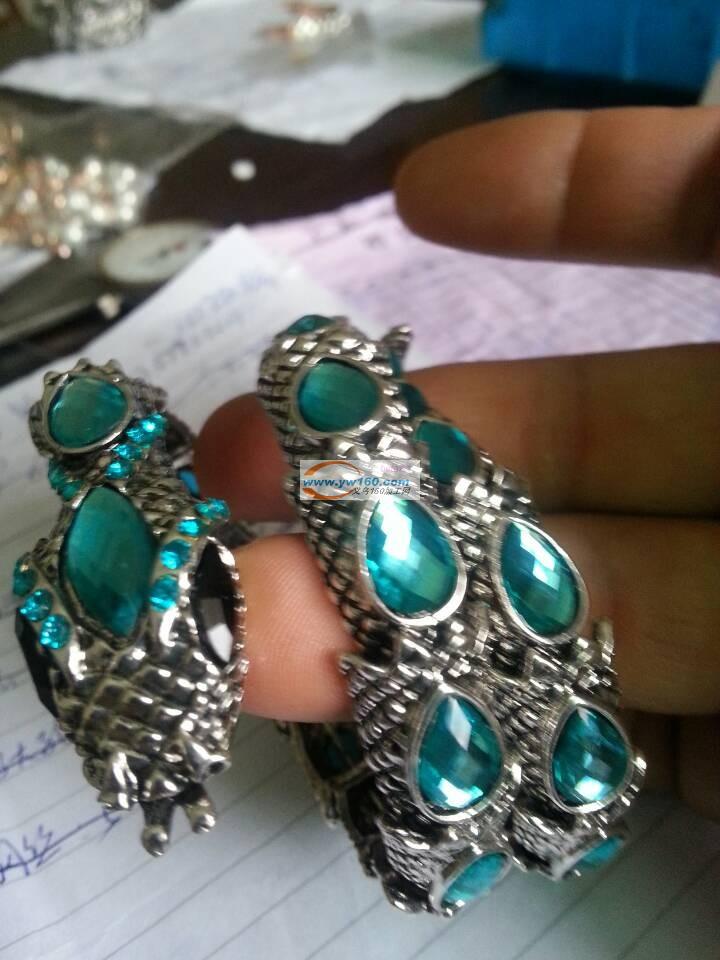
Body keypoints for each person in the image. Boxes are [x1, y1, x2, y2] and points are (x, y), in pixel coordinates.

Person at [195, 106, 720, 822]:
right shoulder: (361, 475)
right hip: (400, 545)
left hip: (417, 535)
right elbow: (360, 487)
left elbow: (367, 485)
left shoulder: (374, 469)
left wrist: (353, 484)